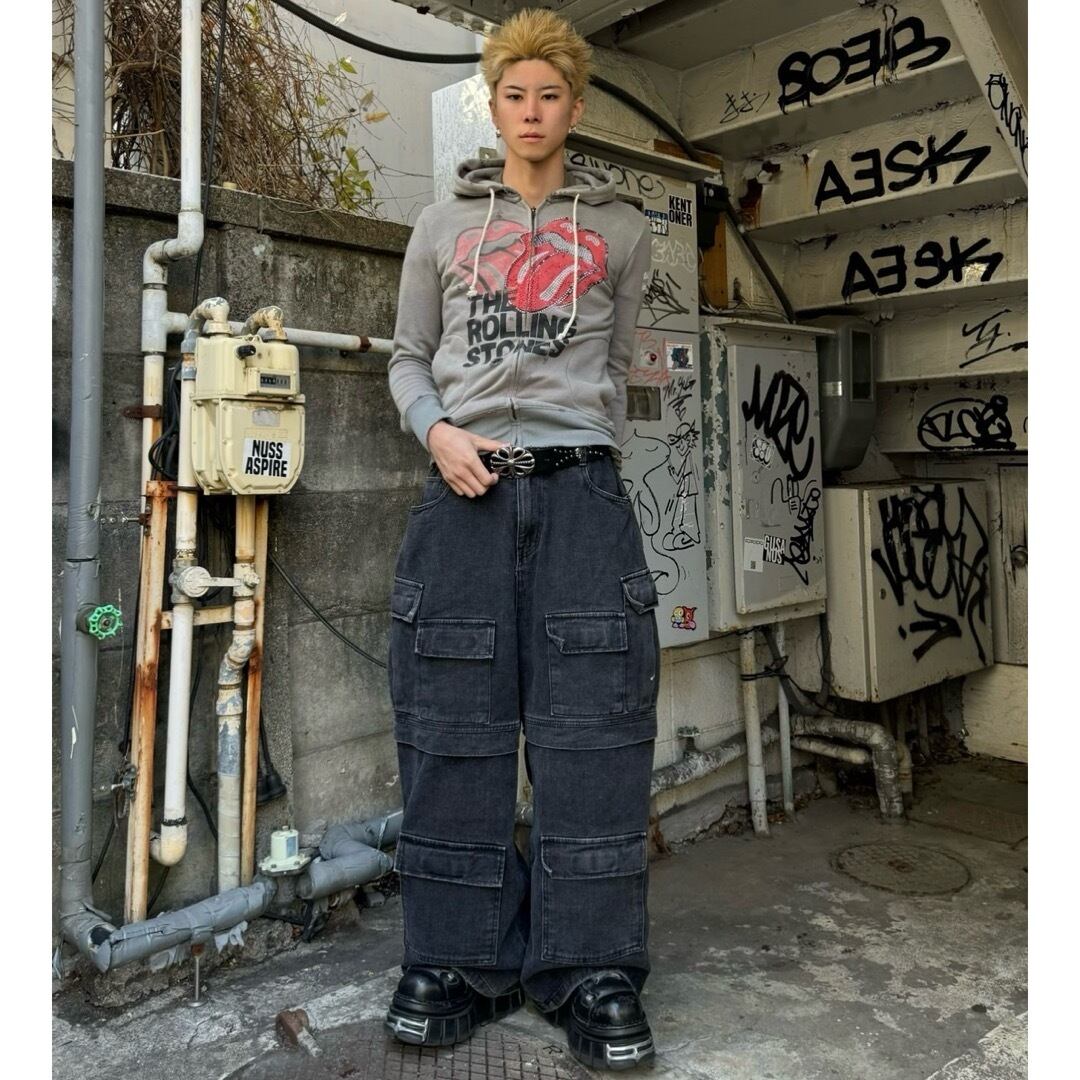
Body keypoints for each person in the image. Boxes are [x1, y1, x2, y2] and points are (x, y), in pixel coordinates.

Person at [383, 8, 659, 1071]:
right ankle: (457, 960)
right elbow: (409, 357)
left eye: (549, 95)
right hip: (464, 494)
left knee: (594, 731)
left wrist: (581, 455)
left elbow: (616, 368)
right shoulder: (439, 228)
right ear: (492, 106)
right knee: (453, 724)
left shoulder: (622, 231)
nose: (532, 112)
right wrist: (439, 431)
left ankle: (591, 968)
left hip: (582, 494)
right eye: (514, 95)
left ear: (574, 107)